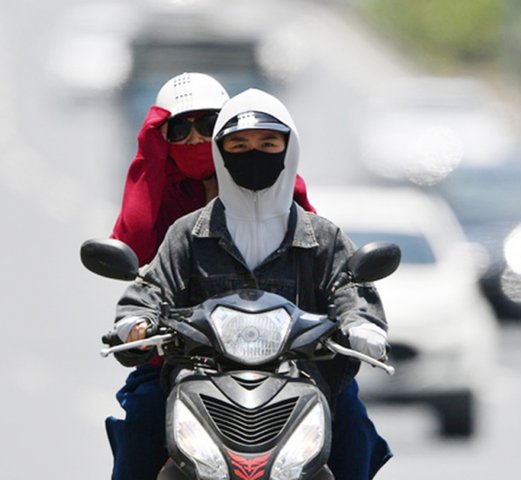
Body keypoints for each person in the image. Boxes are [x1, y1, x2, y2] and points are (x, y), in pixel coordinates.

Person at [106, 75, 391, 480]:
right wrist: (135, 321)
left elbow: (349, 287)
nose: (253, 154)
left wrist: (361, 325)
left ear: (289, 150)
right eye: (239, 146)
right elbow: (151, 288)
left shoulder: (322, 235)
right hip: (200, 378)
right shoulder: (186, 232)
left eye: (267, 145)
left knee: (355, 432)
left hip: (303, 380)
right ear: (221, 153)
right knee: (140, 427)